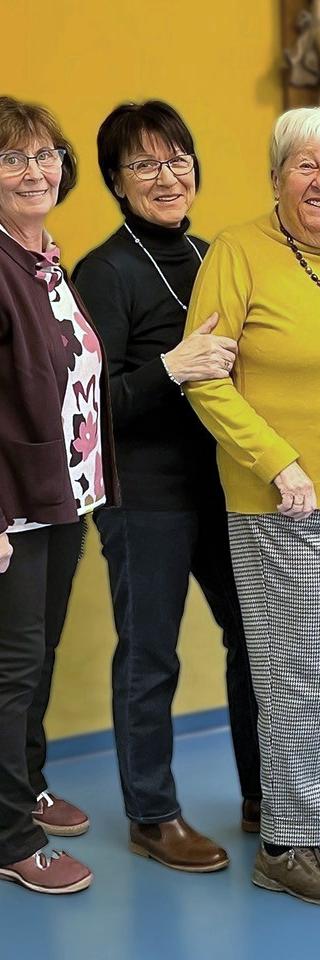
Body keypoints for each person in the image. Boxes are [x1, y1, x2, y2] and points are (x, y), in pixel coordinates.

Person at [184, 106, 320, 905]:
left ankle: (309, 806)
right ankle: (285, 843)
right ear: (276, 176)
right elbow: (205, 376)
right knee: (297, 678)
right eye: (306, 166)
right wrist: (279, 462)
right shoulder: (236, 253)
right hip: (286, 505)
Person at [72, 100, 261, 874]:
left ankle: (267, 794)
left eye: (177, 158)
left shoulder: (215, 256)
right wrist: (169, 370)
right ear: (117, 182)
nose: (166, 176)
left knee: (255, 642)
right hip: (141, 495)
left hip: (222, 486)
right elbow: (87, 407)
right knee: (151, 657)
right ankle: (153, 815)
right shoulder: (104, 270)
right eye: (144, 164)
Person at [0, 95, 119, 894]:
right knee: (10, 668)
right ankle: (9, 836)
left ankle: (26, 787)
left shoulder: (48, 261)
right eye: (11, 158)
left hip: (66, 492)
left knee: (34, 658)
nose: (35, 170)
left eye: (46, 155)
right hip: (14, 500)